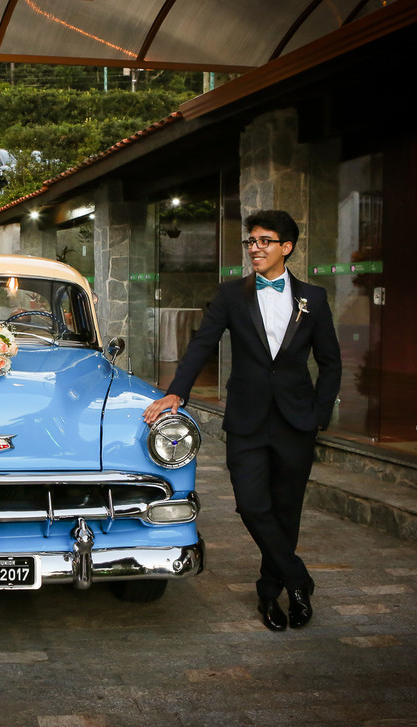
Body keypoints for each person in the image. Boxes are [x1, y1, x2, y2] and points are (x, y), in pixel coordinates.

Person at [142, 210, 340, 632]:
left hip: (296, 421)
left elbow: (331, 363)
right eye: (251, 241)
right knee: (251, 504)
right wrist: (178, 391)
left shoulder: (314, 299)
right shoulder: (232, 295)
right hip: (247, 419)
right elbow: (201, 344)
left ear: (286, 247)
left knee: (287, 512)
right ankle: (298, 578)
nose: (255, 248)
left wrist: (319, 416)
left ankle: (271, 592)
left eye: (265, 241)